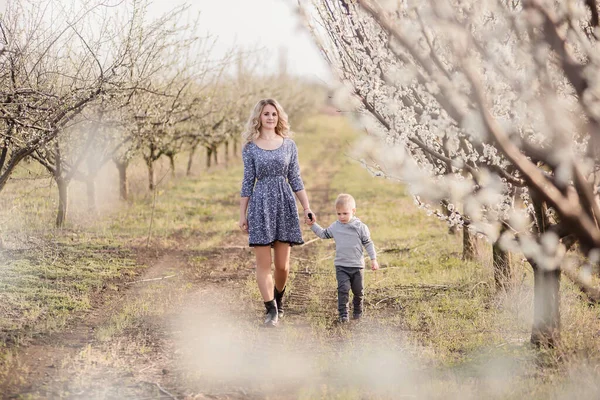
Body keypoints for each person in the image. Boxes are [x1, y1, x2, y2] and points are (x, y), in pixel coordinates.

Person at [239, 98, 315, 327]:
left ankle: (279, 299)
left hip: (284, 204)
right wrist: (242, 214)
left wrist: (307, 207)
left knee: (282, 266)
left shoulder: (289, 145)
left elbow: (295, 178)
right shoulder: (250, 148)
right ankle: (270, 309)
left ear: (278, 117)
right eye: (266, 114)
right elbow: (247, 182)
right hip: (260, 204)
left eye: (274, 114)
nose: (270, 117)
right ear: (258, 118)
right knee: (263, 265)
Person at [307, 193, 379, 323]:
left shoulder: (360, 227)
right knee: (343, 289)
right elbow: (324, 234)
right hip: (341, 266)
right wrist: (313, 225)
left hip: (357, 265)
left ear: (353, 211)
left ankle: (357, 311)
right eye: (338, 214)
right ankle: (343, 314)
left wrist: (373, 259)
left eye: (345, 213)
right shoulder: (335, 226)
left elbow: (368, 243)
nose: (341, 217)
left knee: (358, 291)